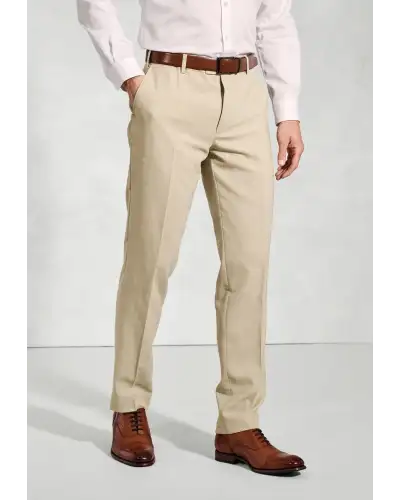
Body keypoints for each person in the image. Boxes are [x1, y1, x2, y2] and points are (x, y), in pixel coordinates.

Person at [77, 0, 305, 475]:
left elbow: (274, 17)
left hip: (244, 95)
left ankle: (239, 422)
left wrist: (287, 111)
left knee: (249, 266)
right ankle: (129, 404)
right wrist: (131, 78)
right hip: (169, 86)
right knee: (150, 258)